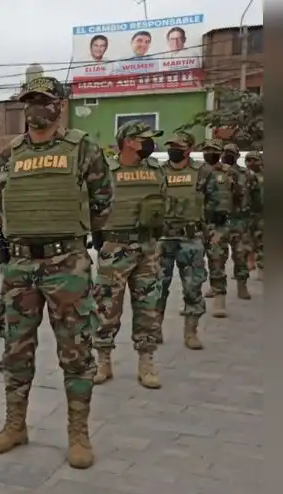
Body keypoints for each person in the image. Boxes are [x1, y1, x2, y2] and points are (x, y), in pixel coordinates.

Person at [0, 76, 112, 469]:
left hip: (66, 263)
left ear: (59, 105)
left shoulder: (83, 149)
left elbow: (103, 201)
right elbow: (2, 200)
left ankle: (78, 434)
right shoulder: (8, 154)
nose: (35, 107)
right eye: (30, 101)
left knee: (76, 351)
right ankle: (15, 424)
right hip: (20, 265)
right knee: (15, 349)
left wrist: (74, 236)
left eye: (43, 100)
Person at [92, 122, 166, 389]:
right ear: (128, 141)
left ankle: (146, 362)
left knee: (148, 307)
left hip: (147, 248)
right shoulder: (106, 172)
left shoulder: (157, 171)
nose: (150, 144)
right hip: (115, 248)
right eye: (144, 139)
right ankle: (103, 360)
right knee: (106, 306)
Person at [153, 131, 208, 350]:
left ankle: (191, 332)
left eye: (178, 146)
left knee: (193, 286)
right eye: (171, 145)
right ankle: (155, 328)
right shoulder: (159, 172)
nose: (172, 149)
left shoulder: (201, 172)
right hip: (163, 238)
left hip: (190, 238)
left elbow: (212, 203)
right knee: (158, 286)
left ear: (189, 149)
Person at [201, 140, 245, 317]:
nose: (210, 153)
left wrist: (228, 212)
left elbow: (240, 195)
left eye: (214, 151)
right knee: (193, 266)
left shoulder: (229, 173)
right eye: (207, 150)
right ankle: (192, 302)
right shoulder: (197, 171)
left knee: (217, 259)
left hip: (219, 225)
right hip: (197, 224)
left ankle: (219, 300)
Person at [221, 143, 256, 301]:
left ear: (237, 156)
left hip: (239, 220)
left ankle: (242, 285)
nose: (227, 155)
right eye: (225, 152)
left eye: (230, 153)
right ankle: (217, 288)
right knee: (217, 257)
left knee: (240, 255)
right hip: (219, 221)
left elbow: (255, 196)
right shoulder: (213, 172)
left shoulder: (245, 174)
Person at [245, 151, 263, 281]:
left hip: (262, 213)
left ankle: (262, 268)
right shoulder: (242, 176)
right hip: (246, 213)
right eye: (249, 160)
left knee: (262, 240)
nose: (252, 163)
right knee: (246, 240)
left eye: (255, 160)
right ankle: (249, 263)